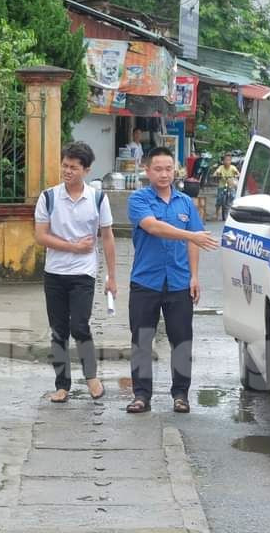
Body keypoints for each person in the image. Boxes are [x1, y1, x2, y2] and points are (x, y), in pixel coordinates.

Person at [125, 147, 220, 414]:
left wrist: (194, 276)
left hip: (179, 281)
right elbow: (153, 227)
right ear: (147, 170)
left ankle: (181, 394)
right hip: (146, 280)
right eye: (158, 169)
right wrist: (191, 235)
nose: (164, 174)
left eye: (168, 169)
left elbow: (194, 244)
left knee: (181, 340)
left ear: (175, 170)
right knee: (142, 338)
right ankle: (141, 395)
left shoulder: (185, 203)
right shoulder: (139, 199)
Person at [35, 142, 117, 403]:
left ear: (86, 169)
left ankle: (92, 378)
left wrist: (112, 277)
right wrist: (73, 246)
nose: (67, 171)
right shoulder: (48, 197)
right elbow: (41, 236)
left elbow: (107, 237)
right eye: (65, 165)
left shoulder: (97, 198)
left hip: (83, 274)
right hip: (55, 273)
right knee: (58, 330)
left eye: (73, 167)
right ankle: (62, 385)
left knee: (79, 325)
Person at [212, 152, 240, 220]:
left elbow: (238, 173)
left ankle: (232, 213)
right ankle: (216, 213)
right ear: (223, 161)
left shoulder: (233, 167)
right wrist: (217, 174)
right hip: (222, 185)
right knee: (219, 199)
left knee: (233, 197)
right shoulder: (221, 167)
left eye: (229, 160)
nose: (227, 162)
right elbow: (216, 173)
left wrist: (236, 175)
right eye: (226, 160)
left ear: (230, 161)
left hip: (230, 185)